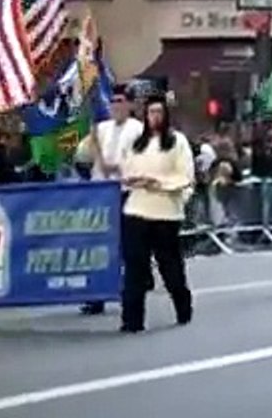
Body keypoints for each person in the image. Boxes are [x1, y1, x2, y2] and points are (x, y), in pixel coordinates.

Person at [119, 94, 195, 333]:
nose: (154, 117)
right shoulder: (135, 143)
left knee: (170, 265)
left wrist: (159, 183)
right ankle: (132, 320)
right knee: (135, 267)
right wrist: (134, 180)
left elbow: (185, 175)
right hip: (136, 208)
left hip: (165, 213)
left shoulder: (177, 142)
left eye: (159, 113)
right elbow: (125, 170)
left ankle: (183, 308)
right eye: (151, 113)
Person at [75, 84, 145, 316]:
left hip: (125, 192)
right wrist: (91, 148)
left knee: (124, 246)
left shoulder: (138, 130)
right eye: (112, 101)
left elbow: (140, 160)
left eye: (120, 101)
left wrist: (115, 166)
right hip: (100, 193)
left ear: (130, 105)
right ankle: (96, 296)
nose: (115, 105)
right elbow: (82, 153)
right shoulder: (101, 127)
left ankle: (129, 289)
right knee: (98, 246)